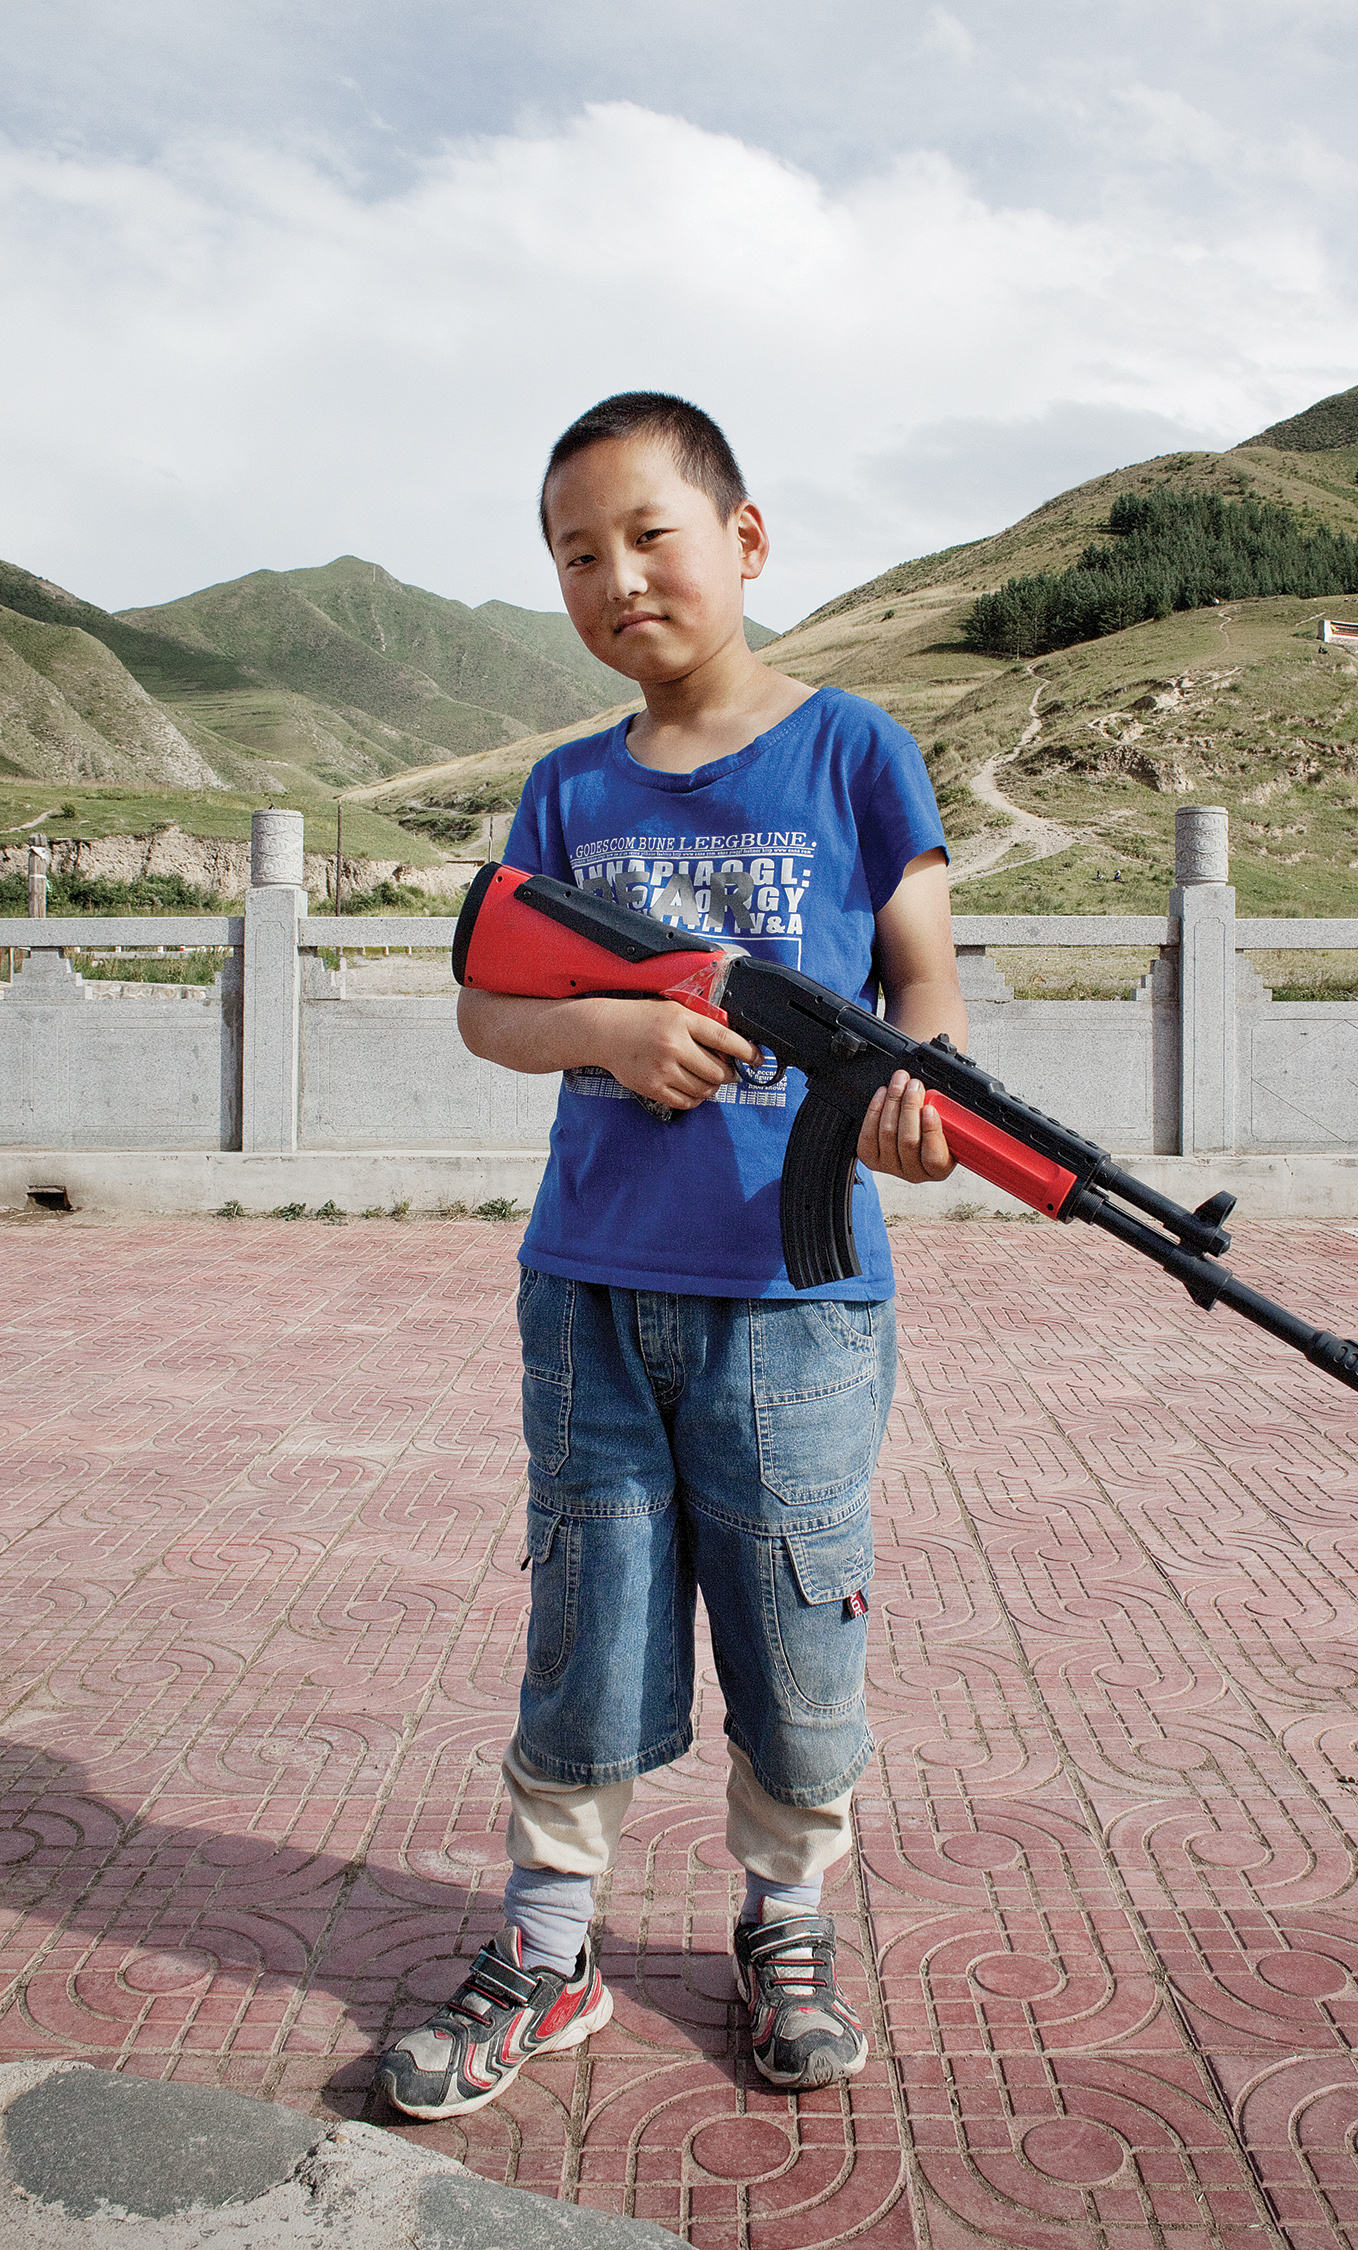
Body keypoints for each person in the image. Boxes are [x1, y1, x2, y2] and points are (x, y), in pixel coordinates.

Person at [376, 392, 966, 2120]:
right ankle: (549, 1950)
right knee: (590, 1622)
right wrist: (616, 1033)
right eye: (576, 553)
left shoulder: (854, 749)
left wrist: (916, 1084)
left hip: (798, 1305)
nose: (616, 576)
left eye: (650, 535)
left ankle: (787, 1924)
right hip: (592, 1288)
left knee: (797, 1635)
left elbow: (924, 972)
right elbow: (493, 1004)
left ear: (748, 540)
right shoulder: (567, 787)